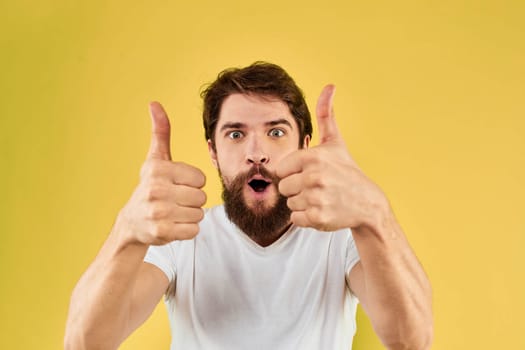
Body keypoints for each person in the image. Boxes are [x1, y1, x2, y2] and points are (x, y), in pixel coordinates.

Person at [64, 62, 433, 350]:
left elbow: (410, 341)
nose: (256, 153)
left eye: (276, 132)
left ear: (305, 145)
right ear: (213, 151)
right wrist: (126, 232)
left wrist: (375, 217)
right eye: (236, 134)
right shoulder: (181, 238)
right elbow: (86, 343)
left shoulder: (341, 237)